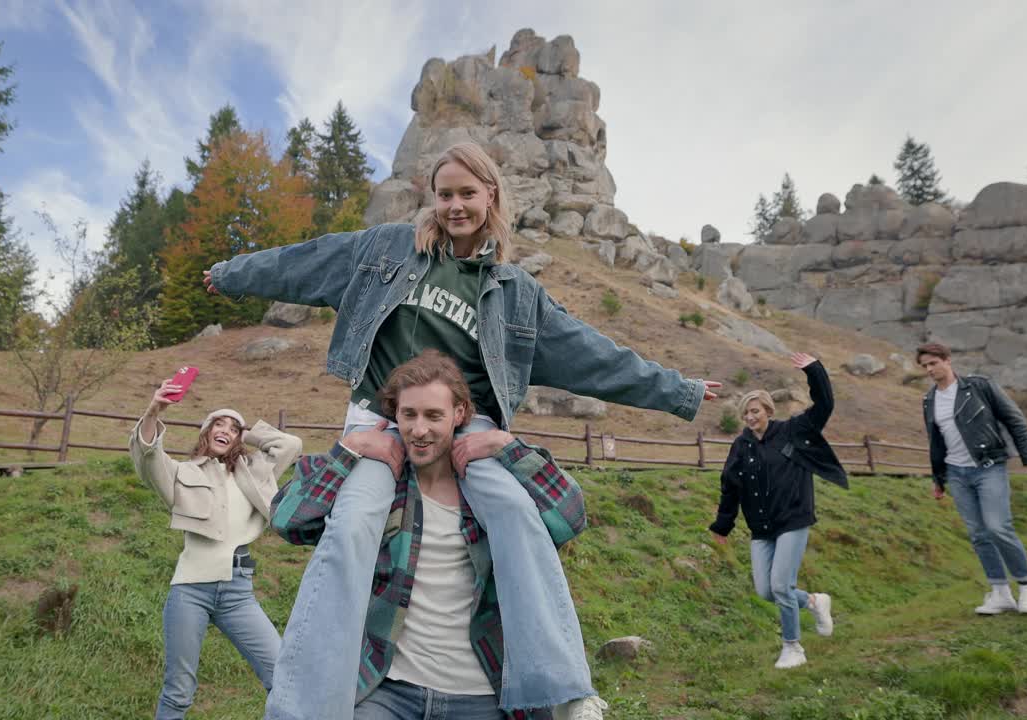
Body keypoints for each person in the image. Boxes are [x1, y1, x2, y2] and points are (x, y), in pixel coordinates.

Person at [205, 141, 717, 719]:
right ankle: (300, 706)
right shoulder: (388, 248)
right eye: (445, 194)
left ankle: (565, 690)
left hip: (471, 430)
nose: (455, 206)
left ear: (490, 196)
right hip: (381, 421)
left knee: (519, 518)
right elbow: (306, 261)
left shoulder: (517, 294)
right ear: (432, 196)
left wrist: (680, 392)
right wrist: (230, 273)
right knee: (350, 529)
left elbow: (593, 356)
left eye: (468, 194)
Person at [271, 350, 592, 720]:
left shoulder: (490, 490)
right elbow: (288, 521)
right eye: (409, 414)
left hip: (482, 693)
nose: (419, 430)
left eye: (433, 415)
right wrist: (350, 450)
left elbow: (570, 518)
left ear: (459, 414)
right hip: (388, 689)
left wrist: (507, 446)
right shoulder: (377, 483)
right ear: (395, 415)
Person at [129, 373, 303, 719]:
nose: (224, 430)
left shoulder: (255, 471)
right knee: (178, 691)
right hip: (190, 589)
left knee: (282, 678)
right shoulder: (181, 473)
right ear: (205, 433)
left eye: (231, 428)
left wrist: (245, 427)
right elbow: (149, 457)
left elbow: (291, 445)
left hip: (238, 592)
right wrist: (153, 411)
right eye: (217, 425)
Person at [709, 352, 844, 669]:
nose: (749, 417)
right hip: (762, 529)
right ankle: (813, 601)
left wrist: (814, 370)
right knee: (767, 590)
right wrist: (721, 527)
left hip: (794, 519)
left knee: (782, 585)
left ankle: (793, 647)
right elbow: (730, 487)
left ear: (768, 410)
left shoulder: (793, 431)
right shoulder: (741, 446)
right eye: (745, 413)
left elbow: (824, 404)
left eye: (754, 411)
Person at [916, 342, 1027, 615]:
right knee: (978, 534)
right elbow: (936, 443)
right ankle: (1000, 592)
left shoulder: (979, 387)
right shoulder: (929, 400)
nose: (929, 369)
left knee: (998, 526)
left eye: (933, 363)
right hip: (956, 473)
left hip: (989, 466)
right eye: (924, 366)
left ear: (947, 360)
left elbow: (1015, 420)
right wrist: (938, 480)